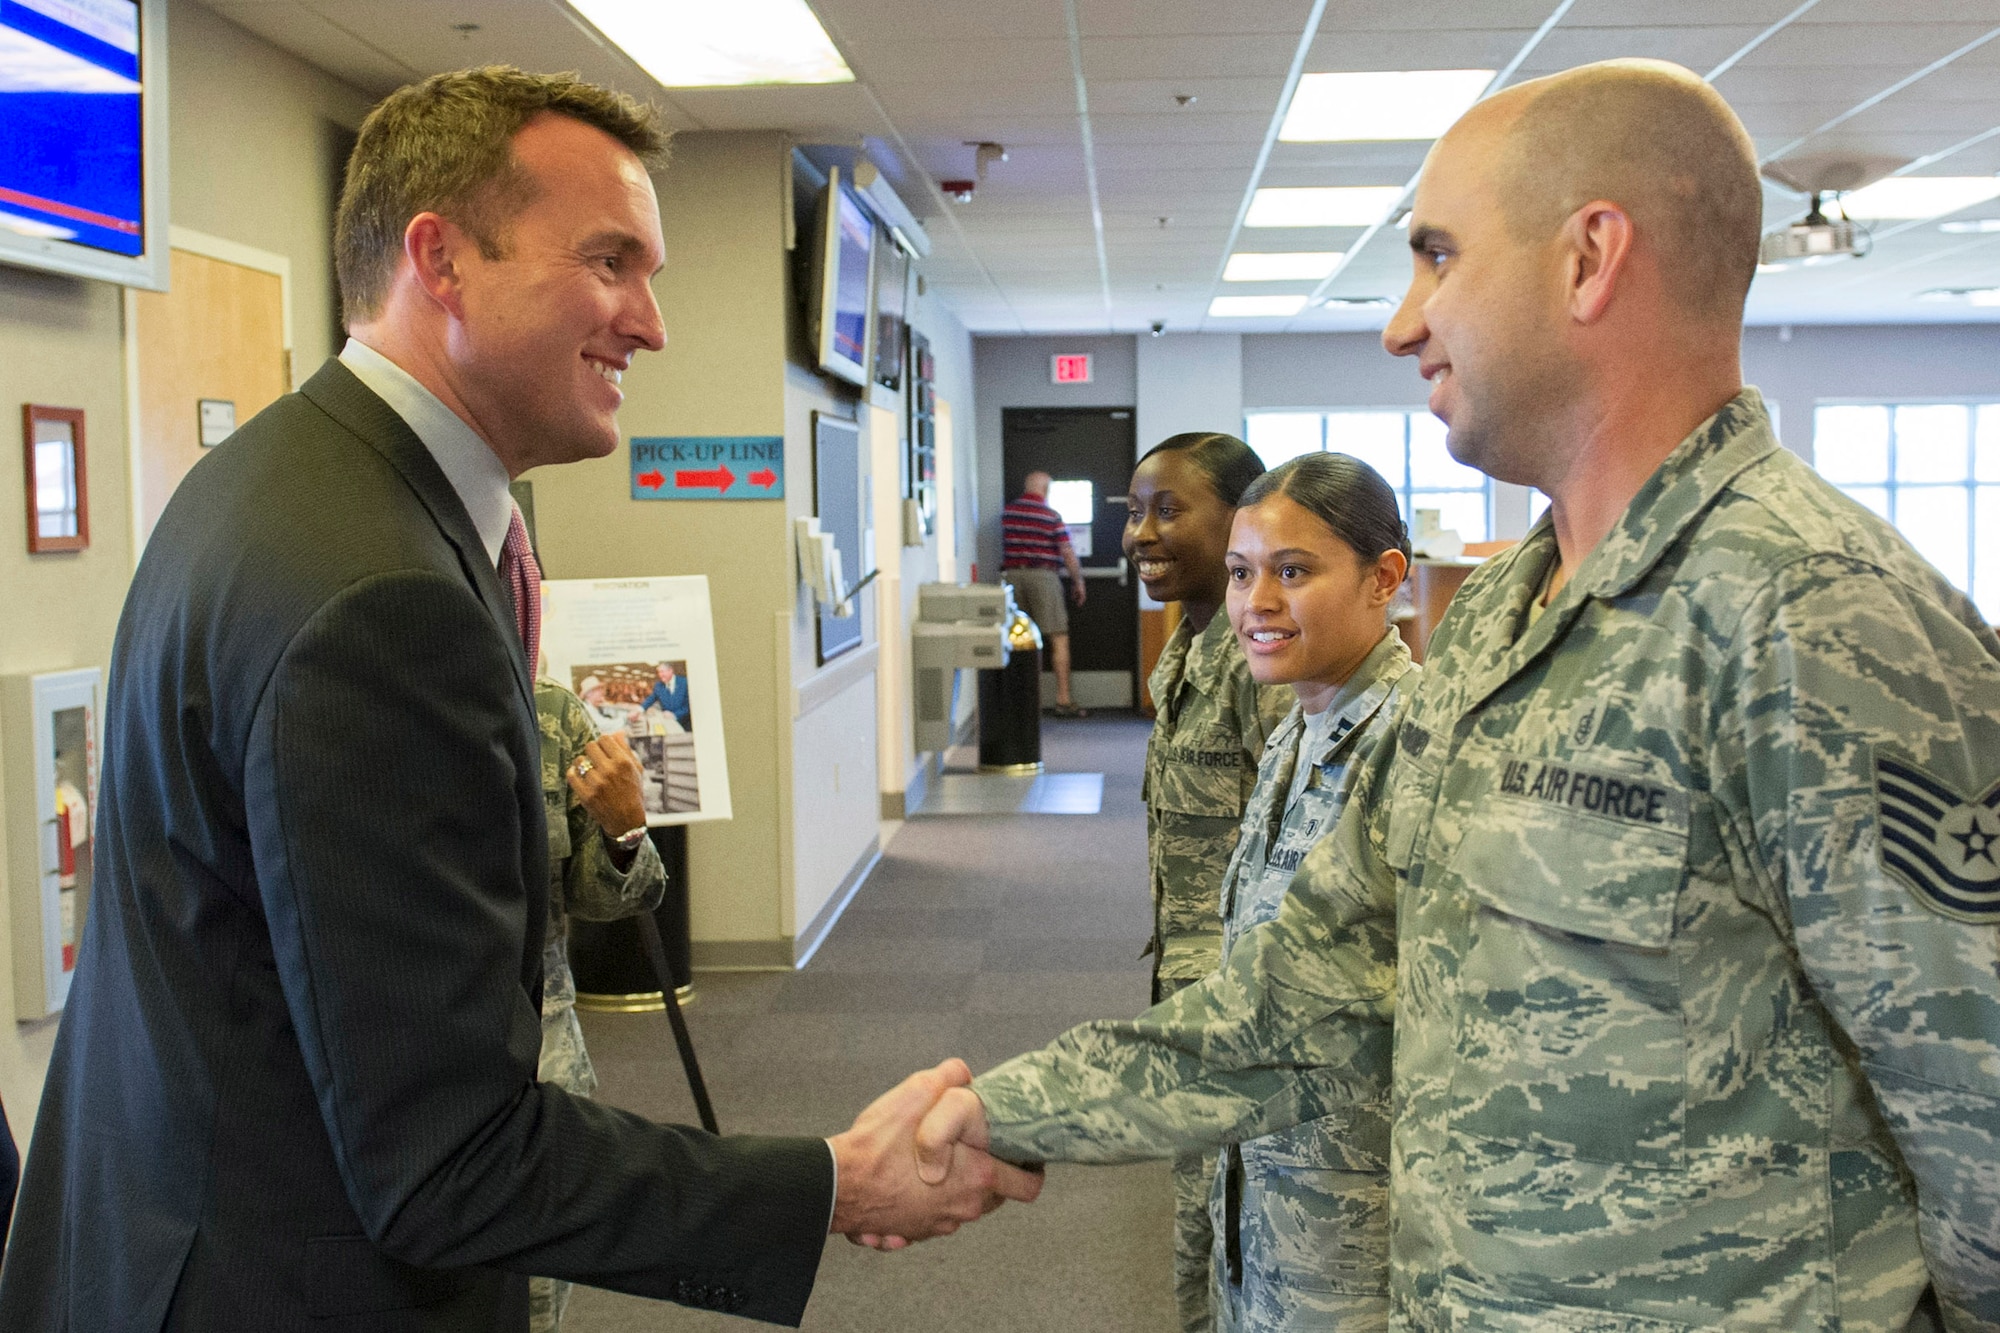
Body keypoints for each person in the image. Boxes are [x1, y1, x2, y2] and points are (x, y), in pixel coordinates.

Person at [912, 59, 2000, 1330]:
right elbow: (1307, 979)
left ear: (1588, 259)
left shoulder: (1818, 617)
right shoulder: (1494, 619)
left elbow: (1977, 1118)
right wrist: (998, 1114)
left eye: (1437, 257)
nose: (1400, 321)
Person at [0, 66, 1036, 1333]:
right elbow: (445, 1158)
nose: (649, 324)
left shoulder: (276, 480)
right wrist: (828, 1182)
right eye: (609, 263)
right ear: (440, 260)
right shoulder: (381, 596)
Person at [1126, 430, 1291, 1333]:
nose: (1141, 533)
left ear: (1237, 524)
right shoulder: (1189, 647)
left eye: (1166, 509)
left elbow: (1298, 842)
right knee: (1202, 1228)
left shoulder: (1260, 659)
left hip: (1246, 1003)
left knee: (1241, 1234)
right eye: (1133, 512)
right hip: (1191, 994)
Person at [529, 677, 667, 1332]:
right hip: (394, 1064)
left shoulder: (549, 712)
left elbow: (613, 893)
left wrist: (624, 829)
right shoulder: (347, 692)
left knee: (534, 1294)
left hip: (537, 1059)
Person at [1002, 469, 1089, 716]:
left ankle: (1021, 702)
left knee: (1016, 639)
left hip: (1011, 578)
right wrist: (1078, 582)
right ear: (1046, 490)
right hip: (1044, 577)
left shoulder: (1008, 514)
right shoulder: (1051, 516)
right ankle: (1063, 700)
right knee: (1058, 638)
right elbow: (1067, 552)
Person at [638, 659, 691, 731]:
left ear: (670, 670)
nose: (660, 675)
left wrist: (675, 715)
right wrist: (639, 710)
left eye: (662, 672)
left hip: (686, 725)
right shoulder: (658, 685)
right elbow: (651, 699)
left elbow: (690, 706)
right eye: (659, 672)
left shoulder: (685, 683)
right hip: (668, 724)